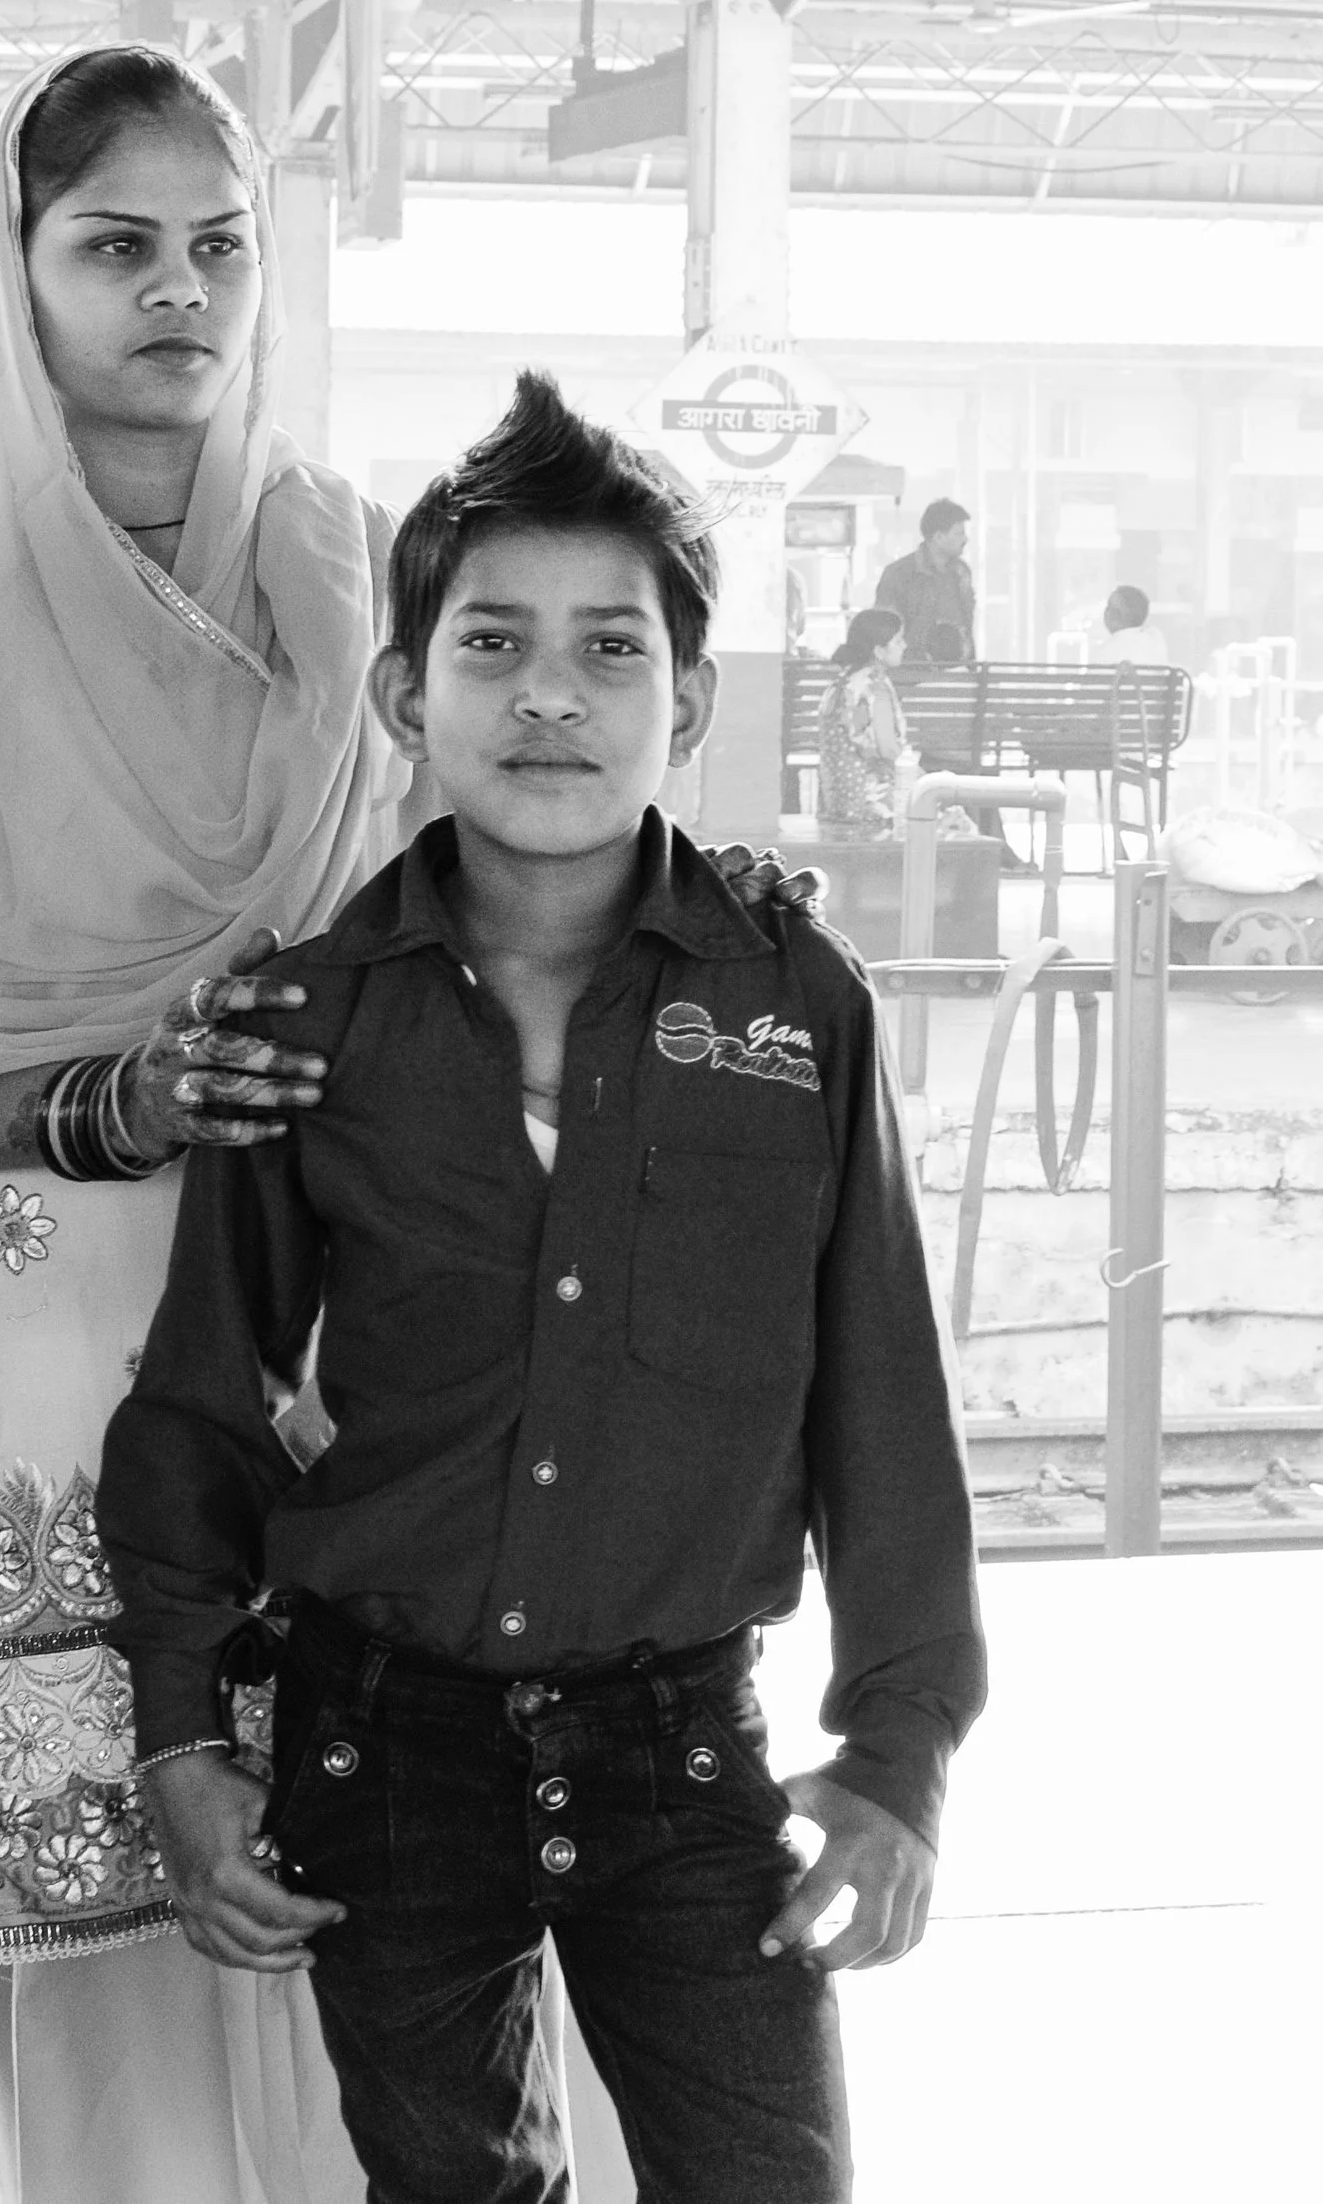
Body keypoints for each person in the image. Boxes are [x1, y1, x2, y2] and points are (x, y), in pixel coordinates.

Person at [98, 371, 986, 2204]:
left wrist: (900, 1754)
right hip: (385, 1754)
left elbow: (885, 1404)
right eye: (492, 643)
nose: (554, 696)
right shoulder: (307, 1023)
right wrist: (182, 1737)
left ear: (694, 701)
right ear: (406, 694)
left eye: (613, 648)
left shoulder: (792, 1008)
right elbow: (197, 1404)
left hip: (684, 1758)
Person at [0, 42, 402, 2204]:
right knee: (102, 1942)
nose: (177, 294)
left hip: (344, 1294)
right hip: (40, 1301)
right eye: (113, 244)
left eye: (217, 248)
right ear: (7, 276)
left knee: (386, 1894)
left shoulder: (353, 573)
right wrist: (91, 1098)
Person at [816, 606, 914, 842]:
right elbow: (888, 749)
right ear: (879, 650)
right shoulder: (875, 686)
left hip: (835, 802)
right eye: (898, 640)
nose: (905, 645)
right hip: (871, 804)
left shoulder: (842, 682)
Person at [872, 497, 974, 668]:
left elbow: (968, 625)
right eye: (959, 533)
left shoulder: (961, 573)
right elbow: (883, 632)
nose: (965, 539)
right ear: (938, 537)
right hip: (911, 677)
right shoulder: (899, 574)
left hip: (957, 676)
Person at [1095, 583, 1167, 669]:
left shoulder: (1106, 652)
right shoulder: (1155, 644)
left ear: (1117, 615)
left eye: (1108, 607)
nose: (1105, 612)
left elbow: (1092, 681)